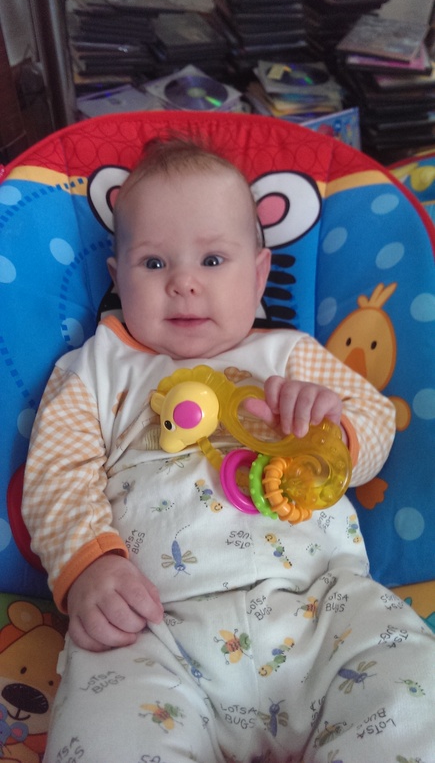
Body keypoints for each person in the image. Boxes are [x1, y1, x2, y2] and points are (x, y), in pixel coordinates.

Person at [22, 136, 435, 763]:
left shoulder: (289, 355)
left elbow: (376, 419)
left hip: (324, 607)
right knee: (107, 733)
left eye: (213, 260)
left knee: (413, 695)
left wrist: (331, 426)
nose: (184, 283)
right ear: (117, 276)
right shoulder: (93, 370)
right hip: (155, 631)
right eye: (154, 263)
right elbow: (56, 476)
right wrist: (88, 569)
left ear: (260, 273)